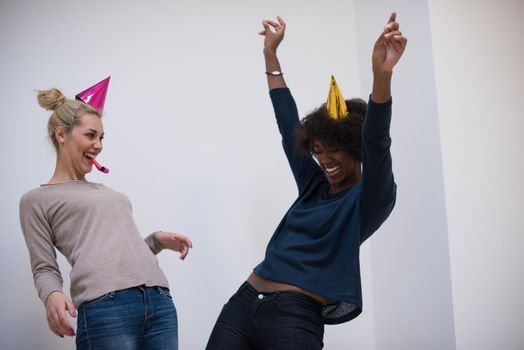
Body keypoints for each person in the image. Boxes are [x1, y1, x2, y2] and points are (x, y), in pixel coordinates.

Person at [206, 12, 407, 349]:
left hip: (294, 315)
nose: (325, 161)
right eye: (318, 151)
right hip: (242, 304)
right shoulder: (313, 184)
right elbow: (288, 122)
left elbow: (377, 139)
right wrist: (270, 54)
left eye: (334, 151)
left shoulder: (371, 197)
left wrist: (381, 75)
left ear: (354, 147)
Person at [19, 84, 192, 350]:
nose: (98, 145)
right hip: (106, 308)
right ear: (61, 135)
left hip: (159, 300)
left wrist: (156, 241)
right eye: (91, 135)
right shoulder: (36, 200)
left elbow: (111, 253)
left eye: (101, 137)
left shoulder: (107, 192)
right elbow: (44, 266)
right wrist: (51, 295)